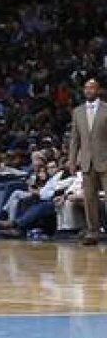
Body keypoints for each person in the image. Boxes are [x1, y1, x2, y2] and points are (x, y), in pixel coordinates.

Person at [68, 77, 107, 245]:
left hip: (105, 159)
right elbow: (74, 139)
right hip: (86, 161)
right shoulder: (77, 111)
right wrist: (72, 160)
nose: (88, 91)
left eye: (91, 88)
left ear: (98, 90)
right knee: (89, 198)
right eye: (86, 88)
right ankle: (93, 232)